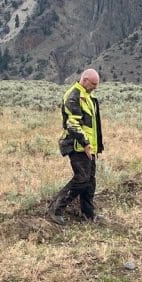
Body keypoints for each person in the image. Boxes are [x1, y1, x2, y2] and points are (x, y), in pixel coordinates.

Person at [48, 68, 104, 224]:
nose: (95, 87)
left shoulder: (87, 96)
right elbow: (72, 125)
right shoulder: (74, 96)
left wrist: (94, 146)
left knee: (90, 180)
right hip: (76, 145)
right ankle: (56, 208)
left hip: (88, 147)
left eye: (96, 84)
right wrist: (85, 144)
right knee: (81, 179)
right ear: (85, 80)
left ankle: (88, 214)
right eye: (93, 84)